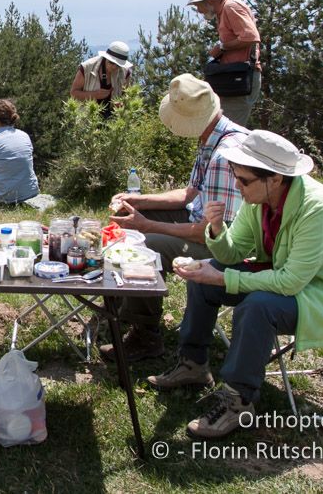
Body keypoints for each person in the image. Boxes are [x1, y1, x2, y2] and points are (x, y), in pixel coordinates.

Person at [149, 130, 323, 439]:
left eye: (243, 180)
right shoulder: (260, 200)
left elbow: (291, 281)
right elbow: (233, 253)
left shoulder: (319, 208)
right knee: (204, 277)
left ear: (275, 178)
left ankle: (238, 401)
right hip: (291, 278)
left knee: (258, 305)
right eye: (236, 176)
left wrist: (223, 277)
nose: (236, 185)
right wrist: (217, 231)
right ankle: (193, 363)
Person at [101, 74, 248, 362]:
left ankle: (146, 336)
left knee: (144, 246)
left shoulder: (225, 155)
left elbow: (211, 233)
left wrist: (147, 225)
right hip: (202, 224)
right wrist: (135, 200)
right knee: (128, 219)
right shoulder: (213, 137)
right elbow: (189, 194)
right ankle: (117, 308)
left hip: (223, 246)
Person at [187, 0, 262, 126]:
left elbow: (251, 37)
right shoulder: (225, 9)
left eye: (198, 5)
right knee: (222, 127)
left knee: (228, 130)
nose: (199, 11)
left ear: (209, 0)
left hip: (239, 79)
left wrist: (222, 48)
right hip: (234, 79)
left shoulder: (230, 7)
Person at [69, 41, 133, 117]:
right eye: (111, 63)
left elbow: (127, 95)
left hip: (113, 121)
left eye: (118, 65)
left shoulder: (125, 72)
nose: (114, 67)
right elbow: (74, 93)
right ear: (106, 58)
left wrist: (122, 104)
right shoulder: (87, 67)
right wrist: (95, 95)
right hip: (87, 118)